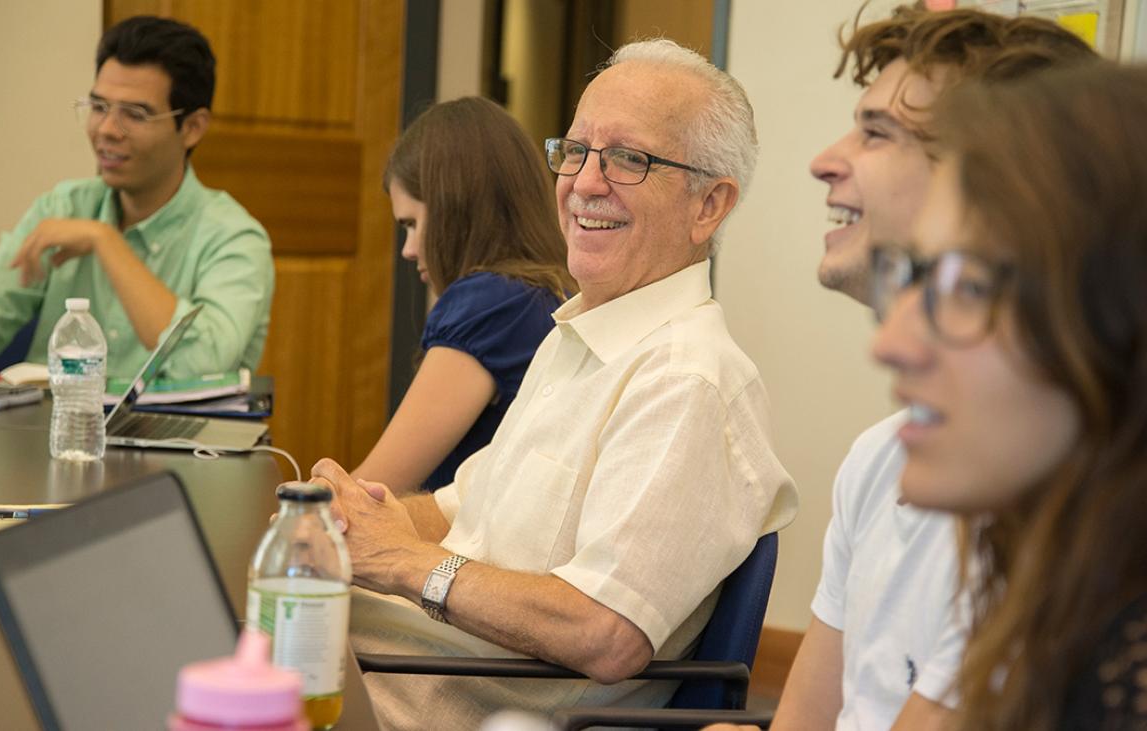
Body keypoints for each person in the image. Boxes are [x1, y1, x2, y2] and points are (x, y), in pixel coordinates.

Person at [309, 38, 798, 729]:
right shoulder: (576, 335)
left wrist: (399, 560)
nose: (584, 183)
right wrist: (350, 513)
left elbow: (605, 628)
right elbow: (460, 505)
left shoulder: (689, 380)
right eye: (575, 151)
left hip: (433, 700)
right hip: (379, 659)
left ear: (709, 206)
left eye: (629, 159)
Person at [707, 6, 1096, 730]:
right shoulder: (881, 458)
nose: (825, 158)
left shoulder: (1057, 493)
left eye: (877, 132)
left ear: (995, 181)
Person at [870, 61, 1147, 729]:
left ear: (1139, 318)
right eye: (914, 275)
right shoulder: (1129, 603)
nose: (891, 341)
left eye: (968, 285)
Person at [0, 15, 272, 380]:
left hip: (176, 437)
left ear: (191, 128)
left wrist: (105, 239)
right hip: (51, 431)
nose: (107, 130)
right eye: (98, 107)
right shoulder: (63, 207)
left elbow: (201, 362)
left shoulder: (234, 238)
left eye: (135, 114)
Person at [351, 97, 575, 494]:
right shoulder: (553, 292)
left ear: (455, 208)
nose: (408, 249)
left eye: (412, 224)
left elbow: (371, 491)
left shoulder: (490, 303)